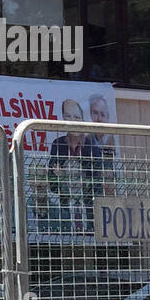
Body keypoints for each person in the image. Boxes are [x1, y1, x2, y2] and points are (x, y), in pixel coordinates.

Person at [48, 99, 105, 234]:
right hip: (66, 206)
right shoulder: (58, 145)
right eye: (68, 116)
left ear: (82, 120)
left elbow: (96, 185)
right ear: (63, 118)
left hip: (87, 207)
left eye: (76, 117)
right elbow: (52, 183)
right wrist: (60, 178)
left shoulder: (92, 149)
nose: (72, 121)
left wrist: (79, 182)